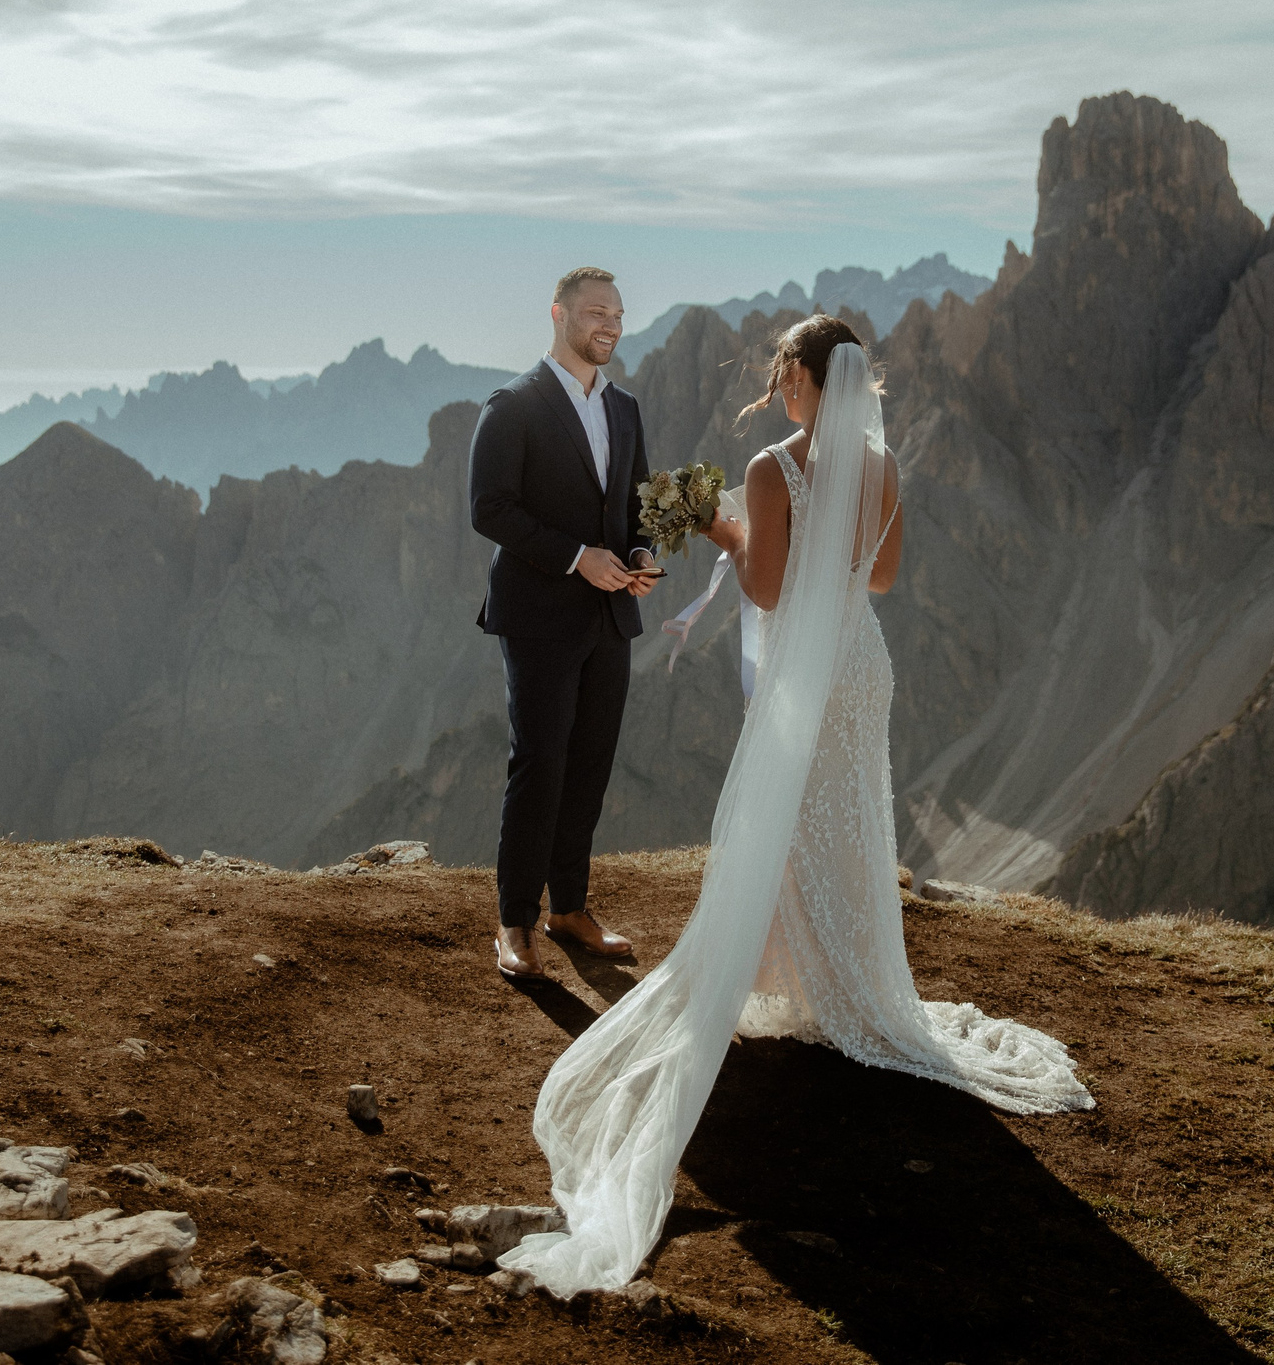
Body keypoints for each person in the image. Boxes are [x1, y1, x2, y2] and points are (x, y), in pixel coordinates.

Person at [500, 316, 1095, 1297]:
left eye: (785, 376)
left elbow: (768, 586)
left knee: (783, 826)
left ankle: (804, 984)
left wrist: (724, 525)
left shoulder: (772, 469)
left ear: (808, 383)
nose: (778, 391)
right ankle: (846, 983)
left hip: (800, 668)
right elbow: (887, 575)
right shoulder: (882, 465)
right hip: (859, 662)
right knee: (847, 822)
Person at [468, 266, 662, 984]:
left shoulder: (626, 408)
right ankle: (514, 920)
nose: (608, 323)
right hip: (539, 613)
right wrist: (579, 557)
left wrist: (640, 552)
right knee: (540, 761)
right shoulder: (513, 404)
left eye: (617, 312)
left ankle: (569, 906)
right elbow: (489, 508)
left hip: (612, 614)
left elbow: (634, 509)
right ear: (558, 314)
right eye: (593, 312)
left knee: (589, 762)